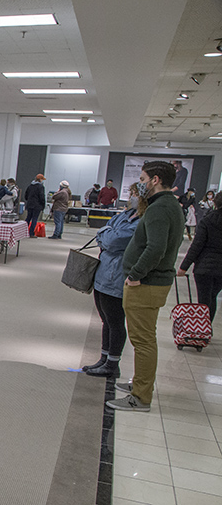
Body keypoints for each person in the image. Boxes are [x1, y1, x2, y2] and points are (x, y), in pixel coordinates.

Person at [106, 161, 184, 413]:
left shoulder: (160, 208)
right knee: (144, 339)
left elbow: (156, 248)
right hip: (151, 281)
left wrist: (135, 274)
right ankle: (139, 385)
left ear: (155, 180)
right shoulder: (166, 206)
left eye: (142, 178)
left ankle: (140, 396)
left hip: (147, 283)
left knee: (143, 341)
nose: (140, 183)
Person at [83, 200, 144, 377]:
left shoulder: (140, 222)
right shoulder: (124, 216)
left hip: (117, 276)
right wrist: (107, 235)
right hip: (103, 272)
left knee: (115, 321)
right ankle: (104, 357)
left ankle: (112, 363)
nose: (131, 197)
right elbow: (104, 232)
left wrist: (107, 236)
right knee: (105, 320)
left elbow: (115, 240)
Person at [177, 191, 222, 324]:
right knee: (213, 296)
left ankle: (200, 330)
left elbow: (197, 245)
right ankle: (207, 329)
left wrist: (184, 267)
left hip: (204, 267)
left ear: (214, 202)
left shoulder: (207, 220)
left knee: (203, 299)